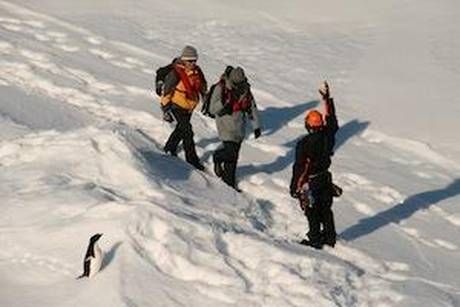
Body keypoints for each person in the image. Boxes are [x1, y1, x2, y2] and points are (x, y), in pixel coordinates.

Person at [289, 81, 339, 249]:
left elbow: (300, 167)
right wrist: (327, 99)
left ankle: (315, 239)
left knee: (311, 211)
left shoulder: (304, 144)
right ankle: (330, 238)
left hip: (311, 181)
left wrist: (294, 186)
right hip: (326, 177)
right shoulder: (328, 136)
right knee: (326, 209)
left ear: (308, 125)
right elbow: (332, 121)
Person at [208, 66, 262, 190]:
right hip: (225, 126)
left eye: (241, 82)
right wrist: (223, 105)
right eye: (237, 83)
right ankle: (217, 156)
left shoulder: (245, 89)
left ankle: (229, 183)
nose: (239, 85)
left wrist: (256, 126)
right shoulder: (221, 88)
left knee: (233, 158)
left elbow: (252, 108)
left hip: (239, 127)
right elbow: (212, 108)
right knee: (231, 154)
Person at [160, 45, 207, 170]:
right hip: (177, 106)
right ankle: (192, 160)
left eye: (194, 60)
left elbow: (202, 86)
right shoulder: (175, 73)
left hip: (189, 106)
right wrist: (165, 109)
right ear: (184, 60)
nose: (193, 63)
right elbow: (167, 92)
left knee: (181, 129)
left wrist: (205, 100)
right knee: (188, 132)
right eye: (190, 61)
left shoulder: (197, 71)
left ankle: (170, 147)